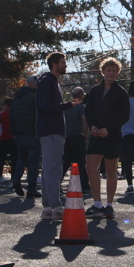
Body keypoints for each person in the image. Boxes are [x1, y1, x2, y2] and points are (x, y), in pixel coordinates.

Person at [84, 57, 130, 219]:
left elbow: (124, 116)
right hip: (96, 135)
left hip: (113, 136)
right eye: (108, 70)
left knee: (111, 169)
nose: (111, 73)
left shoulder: (121, 93)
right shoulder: (94, 91)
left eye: (114, 71)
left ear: (117, 73)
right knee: (90, 166)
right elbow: (88, 111)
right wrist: (92, 126)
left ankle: (109, 205)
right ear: (103, 72)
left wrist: (109, 130)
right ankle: (97, 204)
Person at [36, 52, 79, 220]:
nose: (65, 65)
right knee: (53, 169)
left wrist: (66, 105)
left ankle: (48, 207)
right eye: (63, 62)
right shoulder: (48, 81)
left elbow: (46, 105)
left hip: (50, 131)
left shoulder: (50, 81)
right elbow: (45, 106)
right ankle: (56, 207)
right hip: (51, 131)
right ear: (54, 64)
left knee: (49, 169)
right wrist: (67, 105)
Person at [10, 75, 41, 198]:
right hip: (32, 134)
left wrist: (14, 132)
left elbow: (11, 117)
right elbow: (38, 116)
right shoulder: (35, 97)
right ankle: (31, 188)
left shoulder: (16, 98)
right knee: (33, 162)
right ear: (32, 83)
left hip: (18, 134)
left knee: (21, 158)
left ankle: (16, 179)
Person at [63, 88, 90, 194]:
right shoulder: (80, 107)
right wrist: (85, 133)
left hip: (67, 136)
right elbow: (84, 119)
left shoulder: (67, 107)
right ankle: (83, 185)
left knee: (66, 161)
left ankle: (58, 181)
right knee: (81, 161)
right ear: (81, 96)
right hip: (78, 136)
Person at [0, 98, 16, 189]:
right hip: (13, 140)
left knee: (0, 160)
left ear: (7, 105)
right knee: (14, 160)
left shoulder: (3, 114)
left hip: (4, 139)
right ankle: (13, 179)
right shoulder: (15, 114)